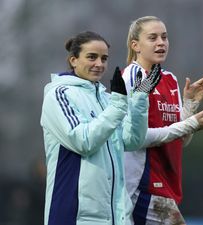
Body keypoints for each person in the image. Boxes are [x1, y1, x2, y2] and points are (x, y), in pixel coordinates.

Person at [40, 31, 161, 225]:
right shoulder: (59, 94)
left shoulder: (106, 98)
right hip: (74, 216)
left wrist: (139, 100)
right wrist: (118, 105)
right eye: (91, 57)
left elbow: (131, 141)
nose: (99, 64)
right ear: (73, 60)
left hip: (114, 216)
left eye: (104, 58)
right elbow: (83, 141)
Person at [122, 16, 203, 225]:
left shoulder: (169, 78)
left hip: (167, 181)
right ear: (136, 45)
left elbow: (180, 140)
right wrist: (191, 124)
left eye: (164, 37)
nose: (161, 42)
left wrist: (189, 104)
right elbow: (136, 138)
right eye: (152, 38)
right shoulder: (133, 77)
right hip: (142, 184)